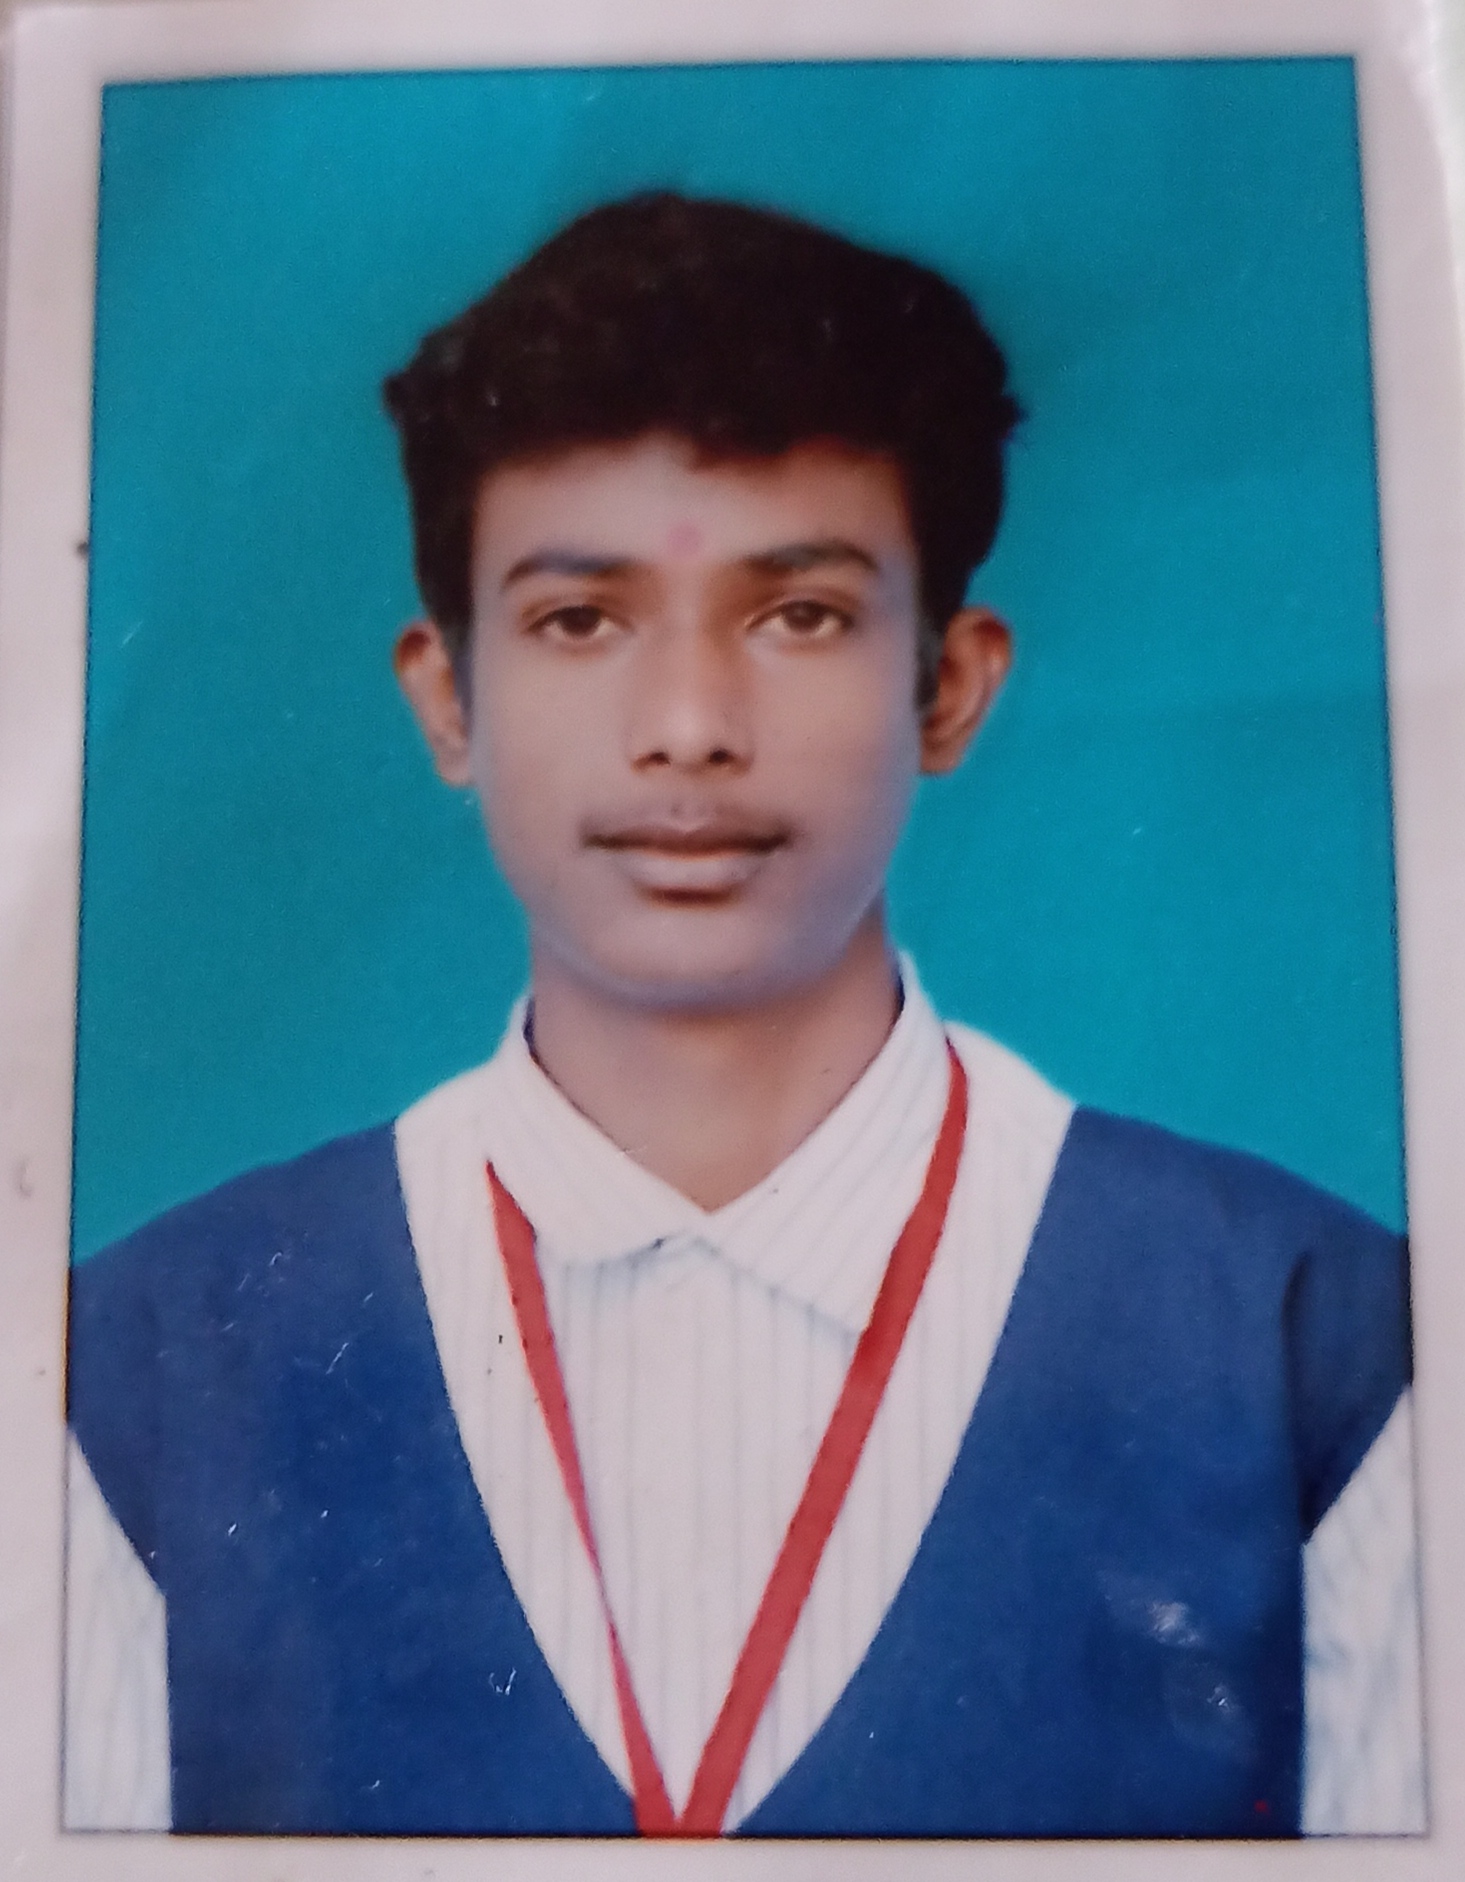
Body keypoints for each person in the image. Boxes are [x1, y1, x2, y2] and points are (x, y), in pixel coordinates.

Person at [65, 193, 1420, 1840]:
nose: (690, 726)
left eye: (801, 614)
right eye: (579, 619)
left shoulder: (1322, 1352)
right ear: (447, 696)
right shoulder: (131, 1380)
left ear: (949, 684)